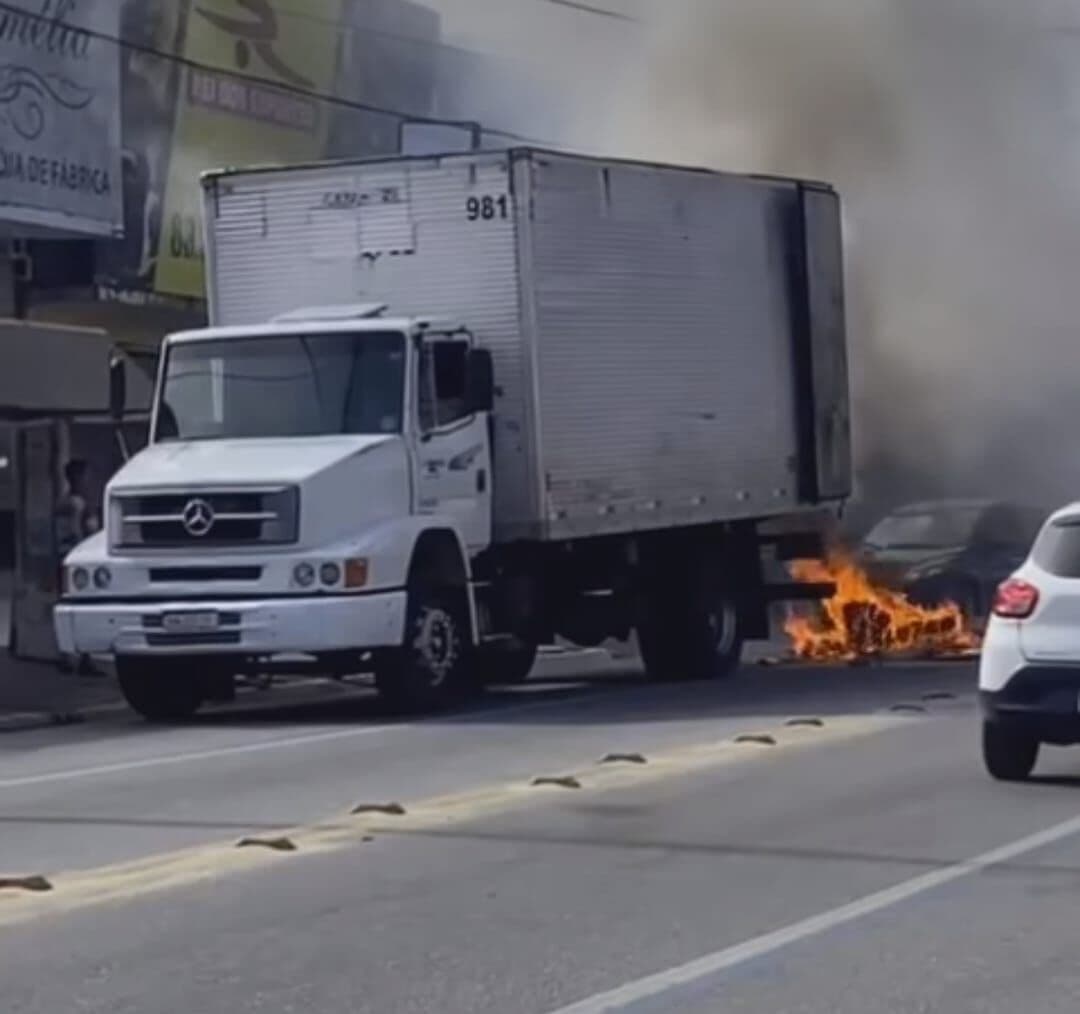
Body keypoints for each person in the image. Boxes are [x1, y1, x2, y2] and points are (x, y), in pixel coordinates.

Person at [55, 459, 99, 557]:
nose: (89, 480)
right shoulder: (76, 503)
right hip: (77, 552)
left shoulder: (68, 501)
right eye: (86, 476)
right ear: (78, 478)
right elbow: (76, 532)